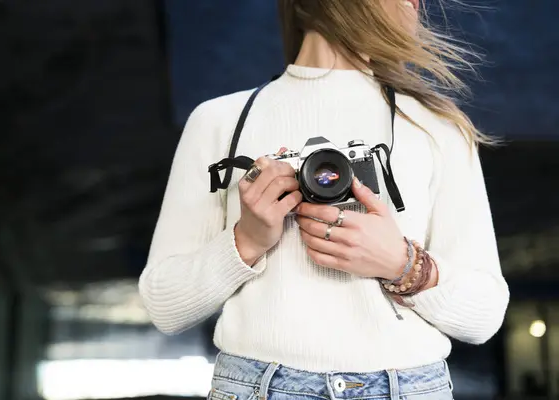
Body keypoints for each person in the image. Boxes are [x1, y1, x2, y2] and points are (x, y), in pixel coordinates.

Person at [139, 0, 510, 399]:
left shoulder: (436, 127)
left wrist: (401, 264)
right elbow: (165, 306)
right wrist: (246, 240)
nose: (416, 4)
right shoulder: (220, 121)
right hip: (258, 385)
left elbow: (484, 315)